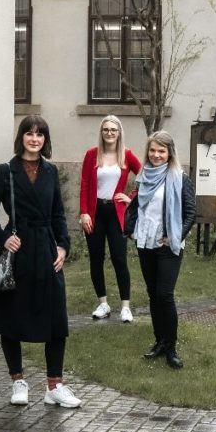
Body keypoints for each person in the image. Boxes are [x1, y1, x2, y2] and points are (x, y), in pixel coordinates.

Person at [0, 115, 80, 408]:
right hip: (18, 253)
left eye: (40, 134)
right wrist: (2, 238)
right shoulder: (5, 171)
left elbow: (59, 213)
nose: (35, 139)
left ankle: (54, 386)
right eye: (29, 133)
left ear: (45, 139)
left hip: (47, 252)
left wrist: (63, 247)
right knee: (11, 319)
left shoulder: (50, 172)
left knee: (56, 320)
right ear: (21, 137)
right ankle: (18, 382)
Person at [124, 130, 195, 370]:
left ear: (170, 153)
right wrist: (132, 227)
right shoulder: (143, 175)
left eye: (161, 151)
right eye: (152, 150)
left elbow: (190, 213)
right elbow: (139, 206)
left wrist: (175, 236)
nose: (156, 155)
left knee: (165, 295)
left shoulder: (180, 177)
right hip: (145, 242)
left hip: (168, 245)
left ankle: (172, 347)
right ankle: (160, 342)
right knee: (153, 294)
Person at [79, 115, 142, 322]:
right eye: (106, 129)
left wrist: (131, 198)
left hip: (116, 214)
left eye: (113, 130)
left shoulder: (127, 155)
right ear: (101, 132)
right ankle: (103, 304)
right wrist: (84, 212)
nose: (109, 133)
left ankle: (125, 306)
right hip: (95, 213)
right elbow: (85, 184)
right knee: (96, 259)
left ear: (119, 132)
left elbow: (145, 176)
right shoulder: (91, 154)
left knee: (119, 258)